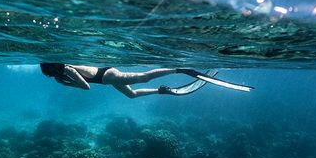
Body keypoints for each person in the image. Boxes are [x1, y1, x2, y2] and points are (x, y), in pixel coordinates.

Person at [40, 63, 200, 99]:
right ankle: (162, 90)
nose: (50, 75)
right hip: (106, 80)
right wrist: (64, 82)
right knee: (132, 95)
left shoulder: (68, 69)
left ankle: (180, 69)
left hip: (107, 75)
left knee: (143, 78)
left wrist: (70, 83)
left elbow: (86, 86)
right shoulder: (60, 74)